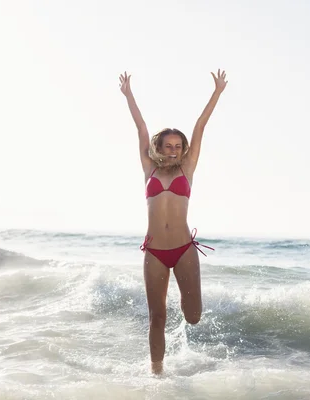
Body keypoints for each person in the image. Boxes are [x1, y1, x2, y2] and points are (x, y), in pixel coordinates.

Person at [119, 69, 228, 374]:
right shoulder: (149, 169)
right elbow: (140, 126)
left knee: (193, 315)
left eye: (178, 146)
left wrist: (216, 92)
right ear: (159, 147)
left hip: (183, 249)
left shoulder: (187, 170)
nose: (174, 150)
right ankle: (157, 374)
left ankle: (187, 312)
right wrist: (129, 95)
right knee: (157, 316)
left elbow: (200, 126)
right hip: (154, 251)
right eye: (168, 145)